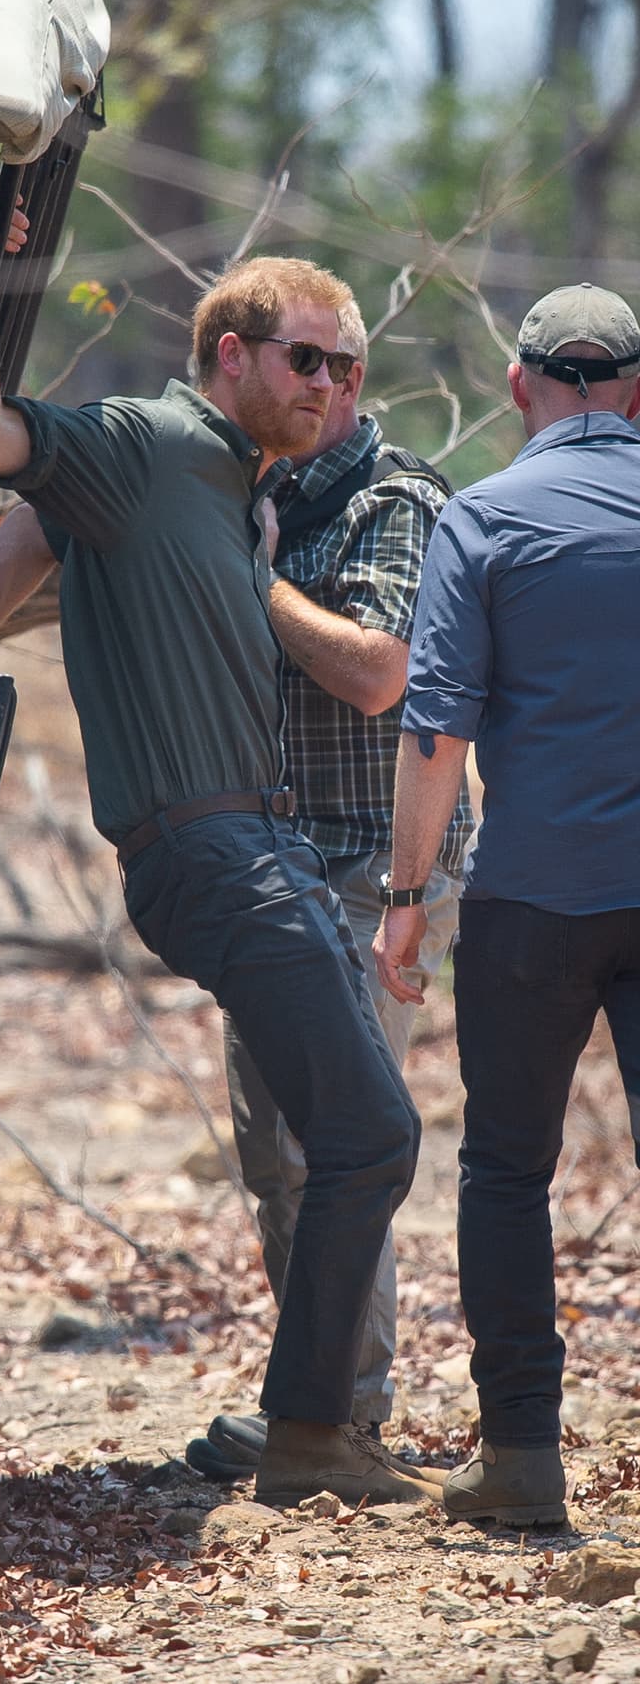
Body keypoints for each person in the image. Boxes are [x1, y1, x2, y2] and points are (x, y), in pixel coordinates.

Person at [0, 296, 472, 1480]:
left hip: (292, 857)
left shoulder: (266, 487)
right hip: (224, 852)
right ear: (229, 353)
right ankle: (322, 1426)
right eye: (303, 358)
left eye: (346, 365)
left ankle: (324, 1419)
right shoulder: (153, 442)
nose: (327, 383)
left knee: (325, 1141)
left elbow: (37, 531)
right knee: (359, 1134)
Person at [374, 282, 640, 1528]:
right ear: (635, 393)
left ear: (517, 385)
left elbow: (435, 731)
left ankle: (522, 1457)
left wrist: (404, 898)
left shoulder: (479, 515)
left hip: (532, 896)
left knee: (503, 1170)